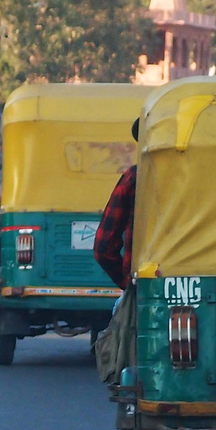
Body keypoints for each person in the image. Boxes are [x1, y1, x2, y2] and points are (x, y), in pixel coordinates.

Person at [92, 117, 140, 384]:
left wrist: (127, 283)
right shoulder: (206, 176)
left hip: (146, 288)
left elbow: (103, 247)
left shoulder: (135, 177)